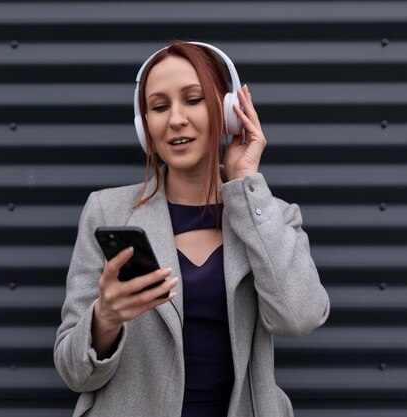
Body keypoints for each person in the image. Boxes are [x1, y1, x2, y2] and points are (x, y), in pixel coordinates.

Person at [54, 40, 330, 417]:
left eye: (193, 99)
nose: (176, 119)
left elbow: (299, 318)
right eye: (159, 107)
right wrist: (106, 318)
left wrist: (246, 180)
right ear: (144, 125)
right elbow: (74, 373)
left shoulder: (271, 215)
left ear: (229, 111)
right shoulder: (106, 212)